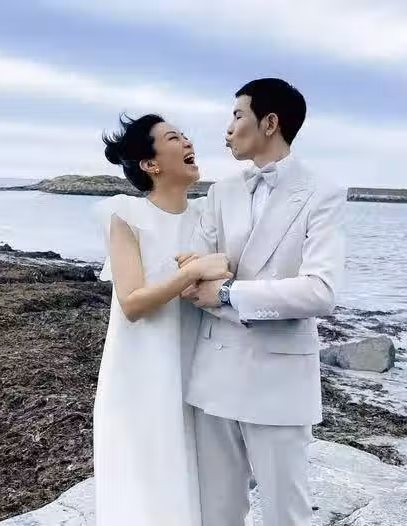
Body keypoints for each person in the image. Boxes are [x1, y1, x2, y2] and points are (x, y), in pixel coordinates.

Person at [181, 78, 347, 526]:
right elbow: (193, 277)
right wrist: (226, 290)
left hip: (279, 377)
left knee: (284, 513)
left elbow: (320, 291)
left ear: (269, 123)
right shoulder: (221, 192)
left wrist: (229, 293)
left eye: (238, 115)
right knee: (216, 513)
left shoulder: (322, 192)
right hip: (214, 373)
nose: (229, 127)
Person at [92, 113, 233, 526]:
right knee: (145, 480)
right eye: (174, 138)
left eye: (185, 135)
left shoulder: (208, 215)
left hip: (197, 367)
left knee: (198, 482)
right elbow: (133, 303)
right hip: (140, 372)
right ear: (150, 164)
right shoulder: (127, 216)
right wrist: (192, 271)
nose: (188, 142)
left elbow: (226, 279)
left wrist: (219, 271)